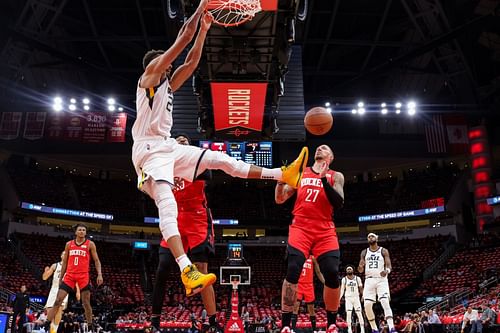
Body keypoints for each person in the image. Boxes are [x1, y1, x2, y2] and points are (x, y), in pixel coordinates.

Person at [131, 0, 308, 297]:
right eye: (165, 62)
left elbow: (192, 63)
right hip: (147, 152)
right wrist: (201, 7)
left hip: (167, 146)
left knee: (221, 159)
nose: (170, 64)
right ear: (155, 64)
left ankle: (282, 174)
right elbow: (182, 40)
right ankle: (187, 269)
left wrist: (205, 31)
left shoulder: (168, 85)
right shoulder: (148, 78)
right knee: (167, 204)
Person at [151, 134, 218, 331]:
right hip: (175, 217)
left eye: (185, 141)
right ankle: (154, 321)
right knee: (163, 266)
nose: (181, 141)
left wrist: (185, 159)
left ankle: (212, 323)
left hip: (197, 216)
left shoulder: (196, 160)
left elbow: (209, 175)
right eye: (177, 140)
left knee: (201, 268)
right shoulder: (164, 164)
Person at [275, 144, 345, 333]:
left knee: (331, 272)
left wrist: (323, 180)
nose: (319, 149)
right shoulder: (302, 173)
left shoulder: (336, 176)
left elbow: (339, 202)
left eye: (325, 148)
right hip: (301, 226)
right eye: (319, 148)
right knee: (293, 269)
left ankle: (331, 322)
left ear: (331, 157)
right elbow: (280, 199)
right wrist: (280, 181)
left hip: (324, 229)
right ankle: (286, 325)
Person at [46, 224, 103, 333]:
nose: (82, 231)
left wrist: (99, 274)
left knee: (86, 302)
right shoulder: (69, 244)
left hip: (83, 275)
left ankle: (90, 325)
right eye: (80, 230)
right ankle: (46, 323)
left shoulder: (90, 244)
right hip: (70, 275)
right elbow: (65, 263)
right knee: (58, 300)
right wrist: (61, 276)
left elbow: (96, 260)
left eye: (84, 230)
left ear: (86, 233)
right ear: (75, 232)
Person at [358, 233, 394, 333]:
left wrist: (386, 271)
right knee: (367, 305)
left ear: (377, 238)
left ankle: (391, 327)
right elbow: (360, 267)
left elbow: (389, 266)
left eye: (372, 236)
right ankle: (374, 328)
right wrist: (360, 268)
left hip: (381, 280)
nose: (370, 238)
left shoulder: (383, 250)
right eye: (368, 237)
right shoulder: (364, 252)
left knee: (385, 302)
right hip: (369, 280)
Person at [43, 251, 81, 332]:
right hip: (54, 289)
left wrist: (78, 291)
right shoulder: (55, 265)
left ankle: (54, 330)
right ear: (61, 256)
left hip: (64, 289)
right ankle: (51, 327)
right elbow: (44, 278)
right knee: (49, 310)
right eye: (64, 254)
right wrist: (46, 271)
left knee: (59, 310)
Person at [291, 256, 324, 332]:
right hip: (298, 284)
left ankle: (314, 330)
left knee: (311, 309)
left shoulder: (312, 258)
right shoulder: (298, 256)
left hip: (309, 285)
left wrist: (324, 282)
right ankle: (293, 329)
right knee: (295, 308)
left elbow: (318, 271)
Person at [340, 266, 365, 333]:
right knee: (348, 313)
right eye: (348, 269)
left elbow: (361, 288)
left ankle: (362, 328)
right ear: (346, 271)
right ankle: (349, 329)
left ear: (353, 270)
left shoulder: (358, 278)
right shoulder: (344, 279)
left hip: (356, 298)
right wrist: (339, 298)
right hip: (348, 298)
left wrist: (363, 296)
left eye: (350, 269)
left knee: (359, 313)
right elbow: (342, 290)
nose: (349, 270)